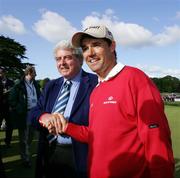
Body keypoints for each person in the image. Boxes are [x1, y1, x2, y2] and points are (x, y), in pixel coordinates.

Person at [45, 25, 175, 178]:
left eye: (96, 45)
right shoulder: (97, 90)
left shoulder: (135, 79)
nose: (90, 53)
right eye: (85, 48)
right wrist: (66, 127)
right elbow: (96, 135)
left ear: (112, 46)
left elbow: (157, 143)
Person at [30, 40, 98, 178]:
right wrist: (45, 117)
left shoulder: (96, 83)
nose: (62, 63)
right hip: (50, 151)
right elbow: (33, 113)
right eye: (58, 59)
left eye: (67, 57)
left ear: (80, 60)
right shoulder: (51, 85)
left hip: (80, 154)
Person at [8, 66, 41, 168]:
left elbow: (39, 97)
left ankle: (25, 151)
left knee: (31, 136)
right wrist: (20, 109)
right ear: (29, 73)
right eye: (34, 73)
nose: (36, 75)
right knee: (23, 138)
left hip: (34, 114)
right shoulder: (18, 85)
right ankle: (25, 159)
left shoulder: (35, 84)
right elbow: (12, 100)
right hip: (24, 114)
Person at [0, 68, 14, 147]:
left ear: (5, 73)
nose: (0, 74)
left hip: (9, 107)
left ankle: (7, 142)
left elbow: (13, 94)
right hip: (0, 107)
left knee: (10, 126)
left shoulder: (11, 82)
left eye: (1, 73)